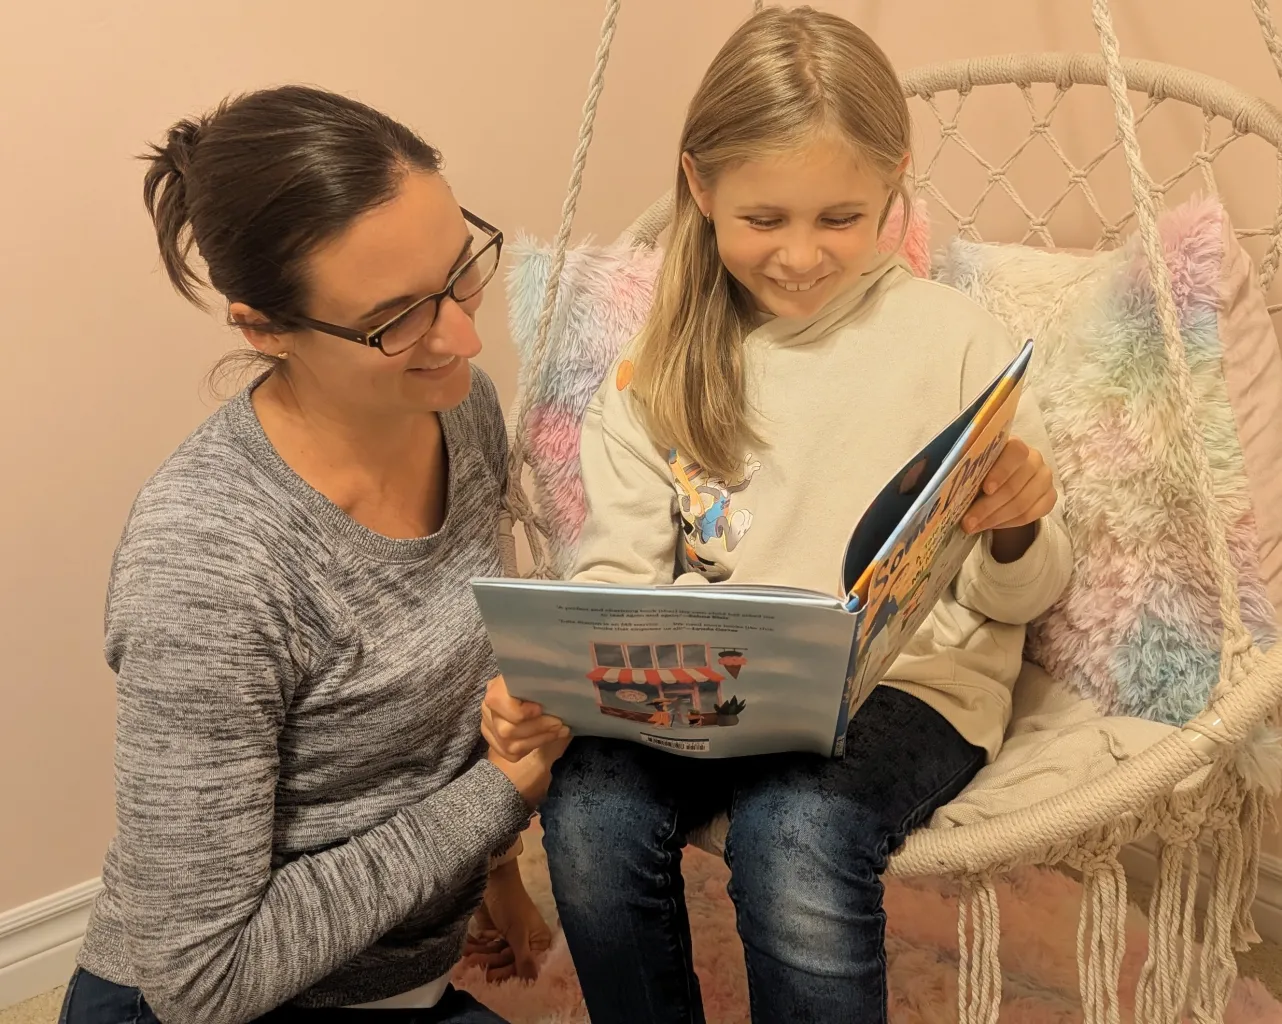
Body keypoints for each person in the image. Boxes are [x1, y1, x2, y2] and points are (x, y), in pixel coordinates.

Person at [483, 7, 1073, 1023]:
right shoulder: (654, 376)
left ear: (893, 184)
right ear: (700, 187)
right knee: (587, 812)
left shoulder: (958, 345)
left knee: (792, 825)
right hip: (708, 693)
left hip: (912, 686)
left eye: (839, 218)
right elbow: (617, 582)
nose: (800, 257)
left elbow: (1016, 594)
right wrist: (573, 677)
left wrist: (1017, 523)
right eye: (764, 220)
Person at [59, 85, 566, 1024]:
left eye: (461, 271)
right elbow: (199, 980)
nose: (464, 333)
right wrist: (498, 798)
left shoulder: (460, 403)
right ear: (262, 329)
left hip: (399, 969)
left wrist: (495, 880)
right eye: (397, 318)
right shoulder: (207, 563)